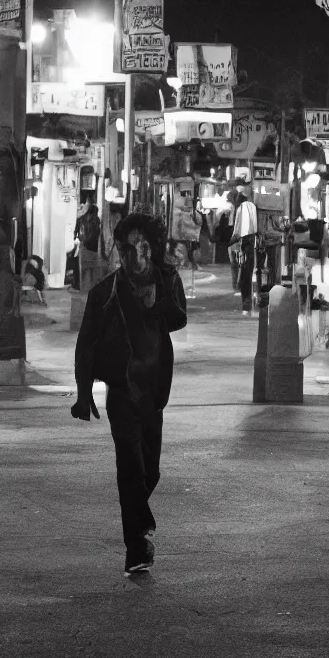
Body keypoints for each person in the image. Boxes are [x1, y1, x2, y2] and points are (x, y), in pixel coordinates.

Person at [72, 212, 187, 575]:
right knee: (130, 469)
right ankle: (135, 547)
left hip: (154, 395)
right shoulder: (103, 295)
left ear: (151, 249)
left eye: (141, 248)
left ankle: (138, 526)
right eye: (126, 249)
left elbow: (179, 318)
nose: (134, 257)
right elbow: (85, 345)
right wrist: (82, 392)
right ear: (118, 251)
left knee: (150, 472)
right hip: (121, 393)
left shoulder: (167, 281)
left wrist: (161, 300)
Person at [229, 189, 259, 315]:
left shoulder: (242, 208)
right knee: (249, 272)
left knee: (244, 274)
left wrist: (232, 241)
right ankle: (250, 301)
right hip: (253, 243)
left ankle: (246, 302)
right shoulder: (252, 206)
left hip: (245, 245)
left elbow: (238, 229)